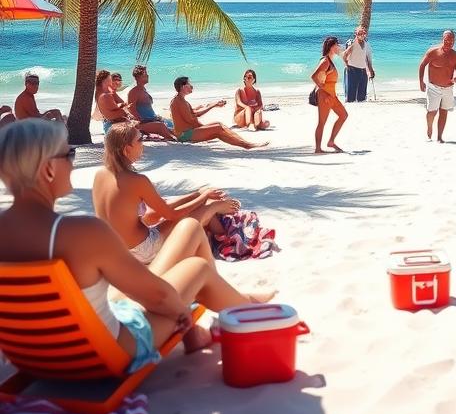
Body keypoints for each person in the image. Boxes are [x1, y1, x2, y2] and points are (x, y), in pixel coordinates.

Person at [0, 119, 271, 369]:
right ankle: (251, 312)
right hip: (102, 354)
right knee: (197, 268)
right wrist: (183, 311)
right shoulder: (82, 233)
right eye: (68, 154)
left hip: (35, 358)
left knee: (134, 287)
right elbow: (159, 297)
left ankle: (217, 319)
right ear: (48, 169)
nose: (72, 162)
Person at [93, 122, 242, 264]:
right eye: (140, 139)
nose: (143, 144)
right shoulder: (137, 180)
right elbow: (172, 215)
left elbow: (155, 212)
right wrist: (205, 198)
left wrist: (197, 194)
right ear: (127, 149)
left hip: (115, 250)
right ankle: (225, 236)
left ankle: (216, 228)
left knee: (166, 212)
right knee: (208, 207)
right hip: (142, 251)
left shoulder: (101, 175)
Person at [170, 77, 268, 150]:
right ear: (183, 87)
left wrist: (213, 105)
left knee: (219, 125)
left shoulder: (181, 100)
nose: (191, 86)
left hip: (188, 131)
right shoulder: (178, 101)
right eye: (189, 84)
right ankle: (247, 145)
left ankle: (246, 143)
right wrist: (212, 106)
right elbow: (192, 118)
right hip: (184, 135)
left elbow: (193, 113)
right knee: (218, 128)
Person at [97, 69, 173, 141]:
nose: (118, 82)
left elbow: (124, 107)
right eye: (114, 80)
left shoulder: (112, 93)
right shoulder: (107, 95)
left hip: (122, 122)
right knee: (162, 126)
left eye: (119, 80)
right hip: (115, 124)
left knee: (167, 126)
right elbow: (121, 109)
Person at [418, 30, 456, 143]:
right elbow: (422, 65)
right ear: (442, 39)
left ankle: (439, 137)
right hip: (433, 87)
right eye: (446, 40)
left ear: (454, 41)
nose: (449, 43)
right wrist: (421, 82)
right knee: (432, 112)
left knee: (444, 111)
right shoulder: (433, 52)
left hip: (448, 88)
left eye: (451, 41)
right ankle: (429, 127)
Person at [311, 36, 348, 154]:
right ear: (332, 47)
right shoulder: (325, 61)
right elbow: (314, 76)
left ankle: (331, 141)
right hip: (324, 96)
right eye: (337, 45)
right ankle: (318, 149)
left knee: (343, 115)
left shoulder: (330, 61)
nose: (339, 47)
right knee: (322, 122)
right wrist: (323, 91)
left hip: (332, 96)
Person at [126, 64, 174, 133]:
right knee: (167, 128)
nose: (148, 76)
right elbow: (131, 109)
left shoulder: (143, 89)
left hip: (153, 119)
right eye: (145, 74)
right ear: (138, 77)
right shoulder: (134, 92)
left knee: (173, 123)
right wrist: (141, 122)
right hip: (145, 122)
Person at [342, 26, 375, 103]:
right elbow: (344, 55)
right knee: (351, 97)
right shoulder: (352, 44)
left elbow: (367, 58)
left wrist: (371, 70)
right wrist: (346, 64)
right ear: (356, 34)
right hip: (352, 70)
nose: (362, 35)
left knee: (362, 97)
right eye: (360, 33)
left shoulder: (366, 44)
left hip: (363, 71)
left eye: (363, 33)